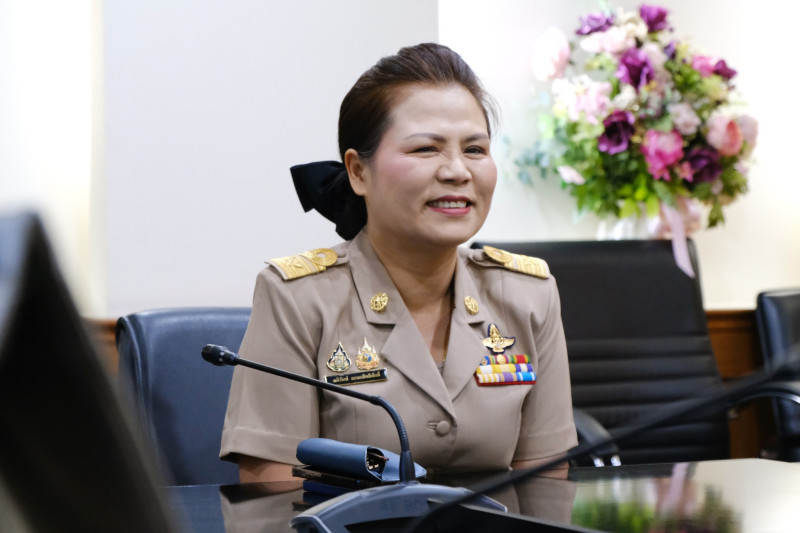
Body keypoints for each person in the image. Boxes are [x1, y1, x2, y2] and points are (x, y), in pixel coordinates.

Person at [220, 42, 577, 483]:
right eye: (426, 149)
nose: (457, 171)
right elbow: (273, 492)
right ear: (358, 172)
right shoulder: (298, 298)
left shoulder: (528, 295)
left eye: (475, 149)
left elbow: (544, 486)